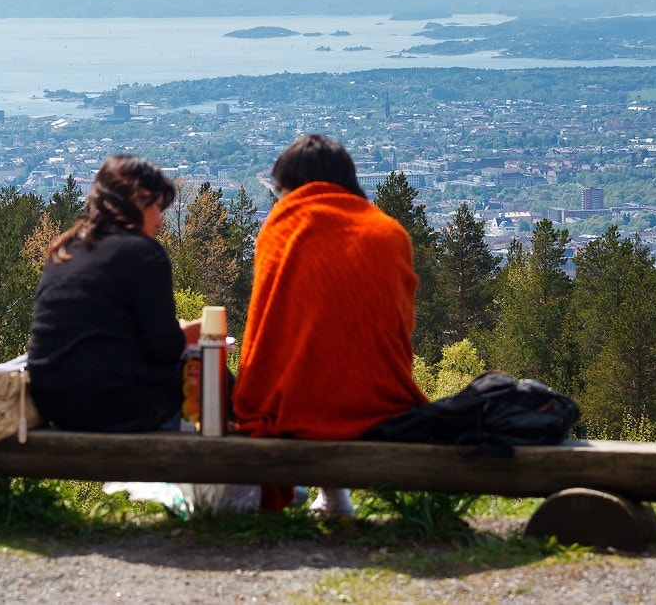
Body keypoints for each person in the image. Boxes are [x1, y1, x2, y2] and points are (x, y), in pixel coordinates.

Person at [233, 135, 426, 514]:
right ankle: (335, 496)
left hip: (299, 404)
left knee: (306, 364)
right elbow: (402, 322)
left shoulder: (284, 227)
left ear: (291, 187)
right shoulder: (388, 231)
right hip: (381, 401)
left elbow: (266, 325)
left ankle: (330, 496)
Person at [27, 155, 195, 432]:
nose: (160, 222)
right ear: (136, 200)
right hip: (117, 408)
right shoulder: (143, 254)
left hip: (54, 405)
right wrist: (190, 333)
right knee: (209, 379)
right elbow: (164, 347)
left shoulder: (65, 250)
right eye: (156, 207)